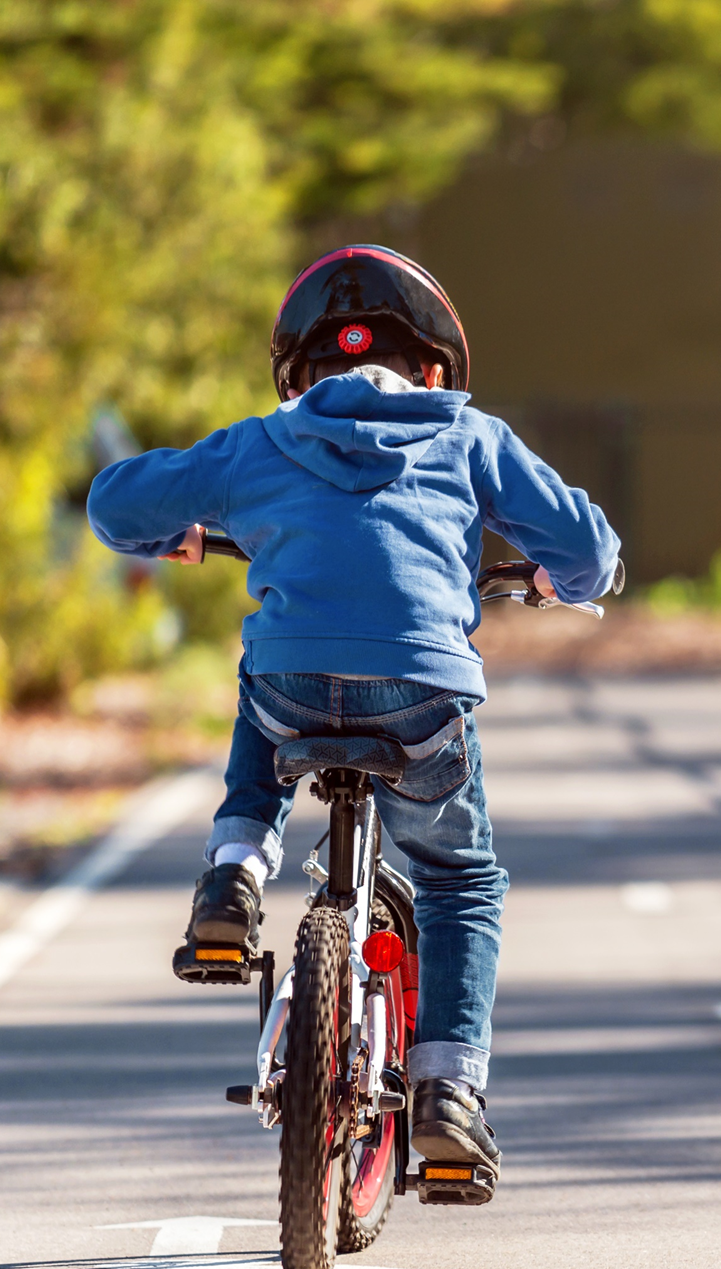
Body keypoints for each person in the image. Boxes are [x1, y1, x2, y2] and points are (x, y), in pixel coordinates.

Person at [86, 245, 621, 1198]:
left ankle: (234, 872)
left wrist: (181, 532)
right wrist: (562, 580)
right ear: (434, 370)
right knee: (461, 877)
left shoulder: (263, 442)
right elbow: (586, 546)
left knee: (267, 663)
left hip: (292, 696)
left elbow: (114, 502)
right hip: (420, 703)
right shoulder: (470, 435)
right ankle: (449, 1094)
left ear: (302, 374)